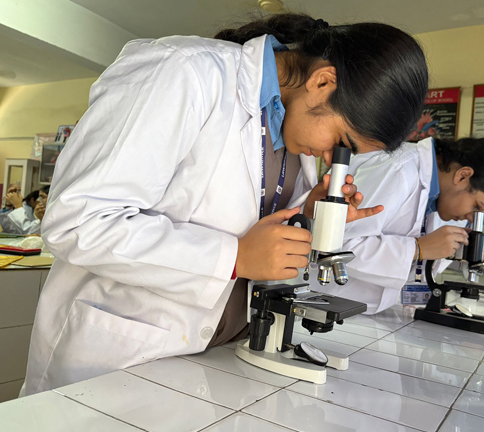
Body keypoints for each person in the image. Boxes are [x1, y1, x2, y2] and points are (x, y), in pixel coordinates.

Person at [21, 13, 429, 395]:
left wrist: (307, 215)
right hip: (117, 359)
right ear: (322, 82)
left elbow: (250, 225)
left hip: (214, 358)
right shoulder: (183, 72)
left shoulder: (293, 130)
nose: (329, 158)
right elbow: (77, 220)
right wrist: (234, 258)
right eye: (340, 143)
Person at [315, 137, 484, 314]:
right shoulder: (398, 168)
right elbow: (335, 245)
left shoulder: (437, 198)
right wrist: (418, 248)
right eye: (476, 207)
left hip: (359, 310)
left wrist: (454, 251)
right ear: (463, 175)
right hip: (324, 303)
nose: (471, 218)